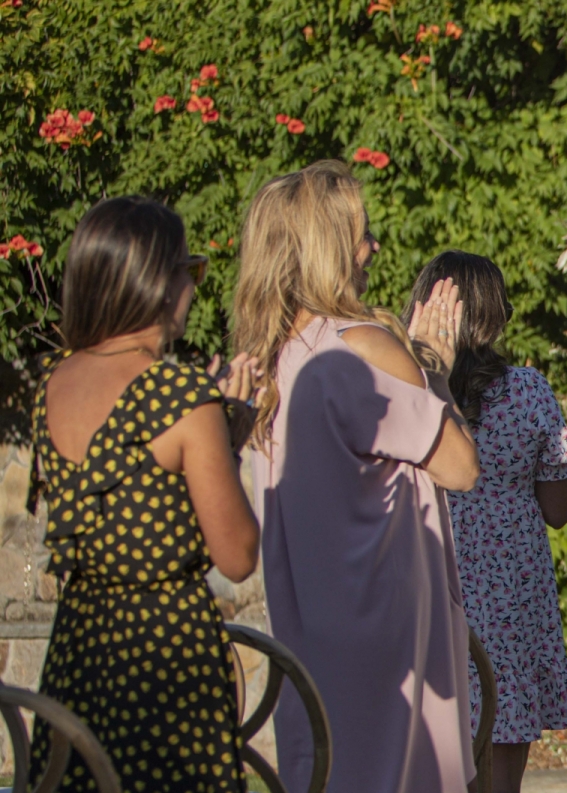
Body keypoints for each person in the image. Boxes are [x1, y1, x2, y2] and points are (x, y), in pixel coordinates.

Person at [234, 160, 481, 793]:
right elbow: (459, 465)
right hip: (388, 637)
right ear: (325, 247)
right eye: (362, 234)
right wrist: (431, 367)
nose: (374, 247)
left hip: (311, 632)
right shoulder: (359, 348)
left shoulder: (266, 362)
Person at [27, 196, 261, 792]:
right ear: (159, 284)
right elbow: (236, 554)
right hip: (165, 657)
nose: (194, 287)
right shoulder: (178, 394)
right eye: (192, 270)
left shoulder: (52, 384)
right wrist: (228, 440)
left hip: (80, 650)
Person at [406, 252, 567, 793]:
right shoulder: (529, 392)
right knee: (505, 741)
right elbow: (558, 511)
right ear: (495, 315)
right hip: (512, 587)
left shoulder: (407, 389)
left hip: (434, 575)